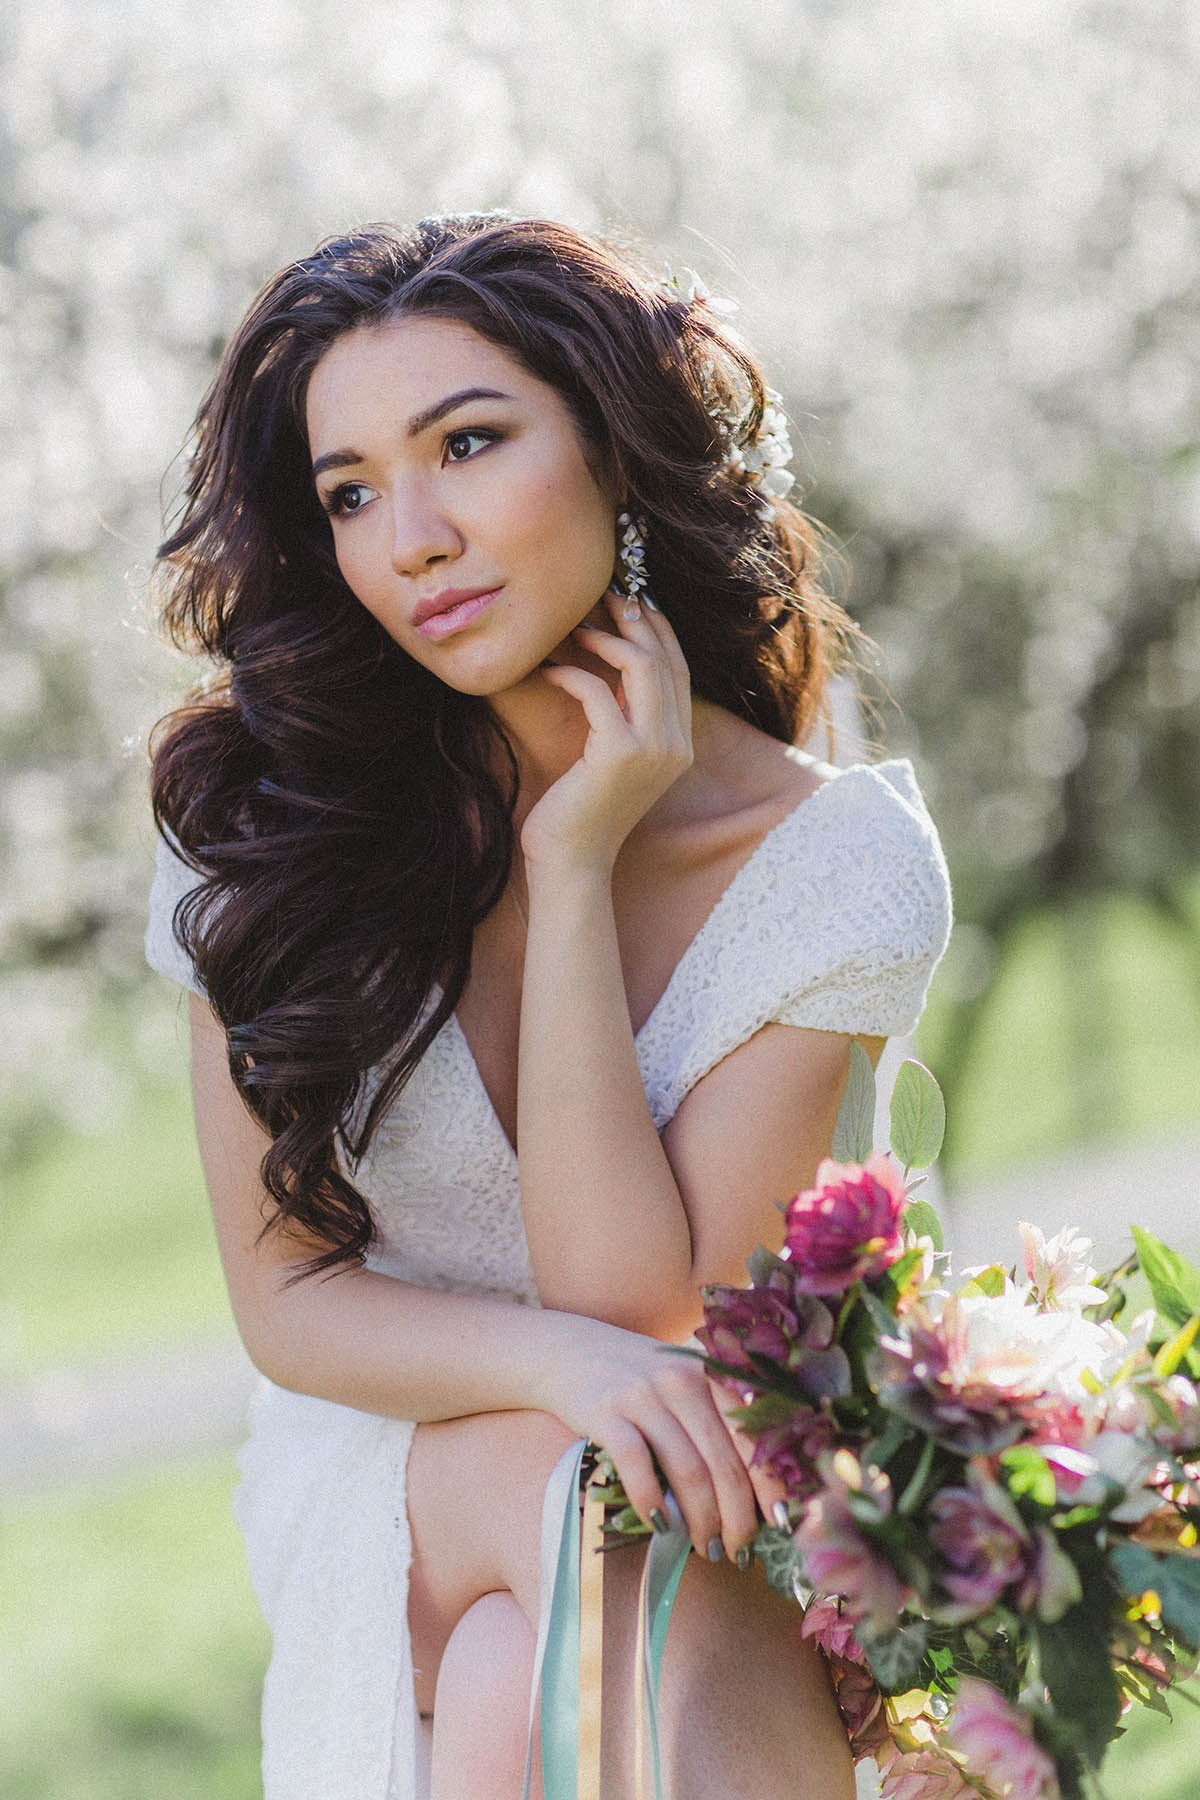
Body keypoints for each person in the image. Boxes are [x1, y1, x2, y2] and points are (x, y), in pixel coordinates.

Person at [144, 212, 952, 1800]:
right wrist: (559, 1378)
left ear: (615, 449)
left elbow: (644, 1305)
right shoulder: (264, 837)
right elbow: (289, 1307)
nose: (415, 538)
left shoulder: (835, 864)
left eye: (469, 445)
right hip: (393, 1451)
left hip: (674, 1478)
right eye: (353, 493)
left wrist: (570, 867)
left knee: (531, 1678)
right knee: (610, 1493)